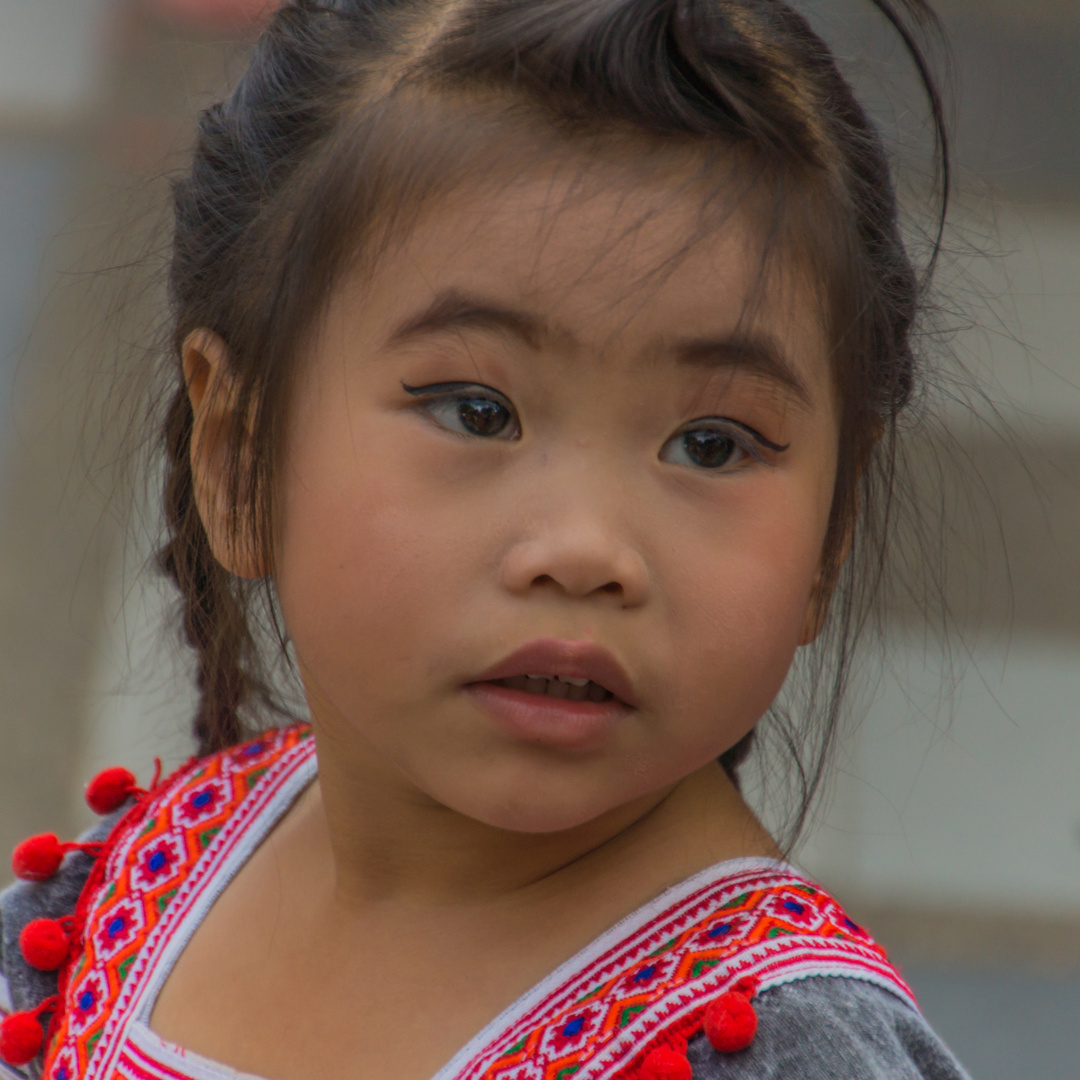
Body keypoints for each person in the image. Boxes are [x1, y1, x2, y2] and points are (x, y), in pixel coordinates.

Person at [0, 1, 974, 1077]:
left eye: (710, 444)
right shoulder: (93, 924)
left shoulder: (775, 1049)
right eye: (477, 411)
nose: (587, 549)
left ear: (830, 537)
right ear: (238, 453)